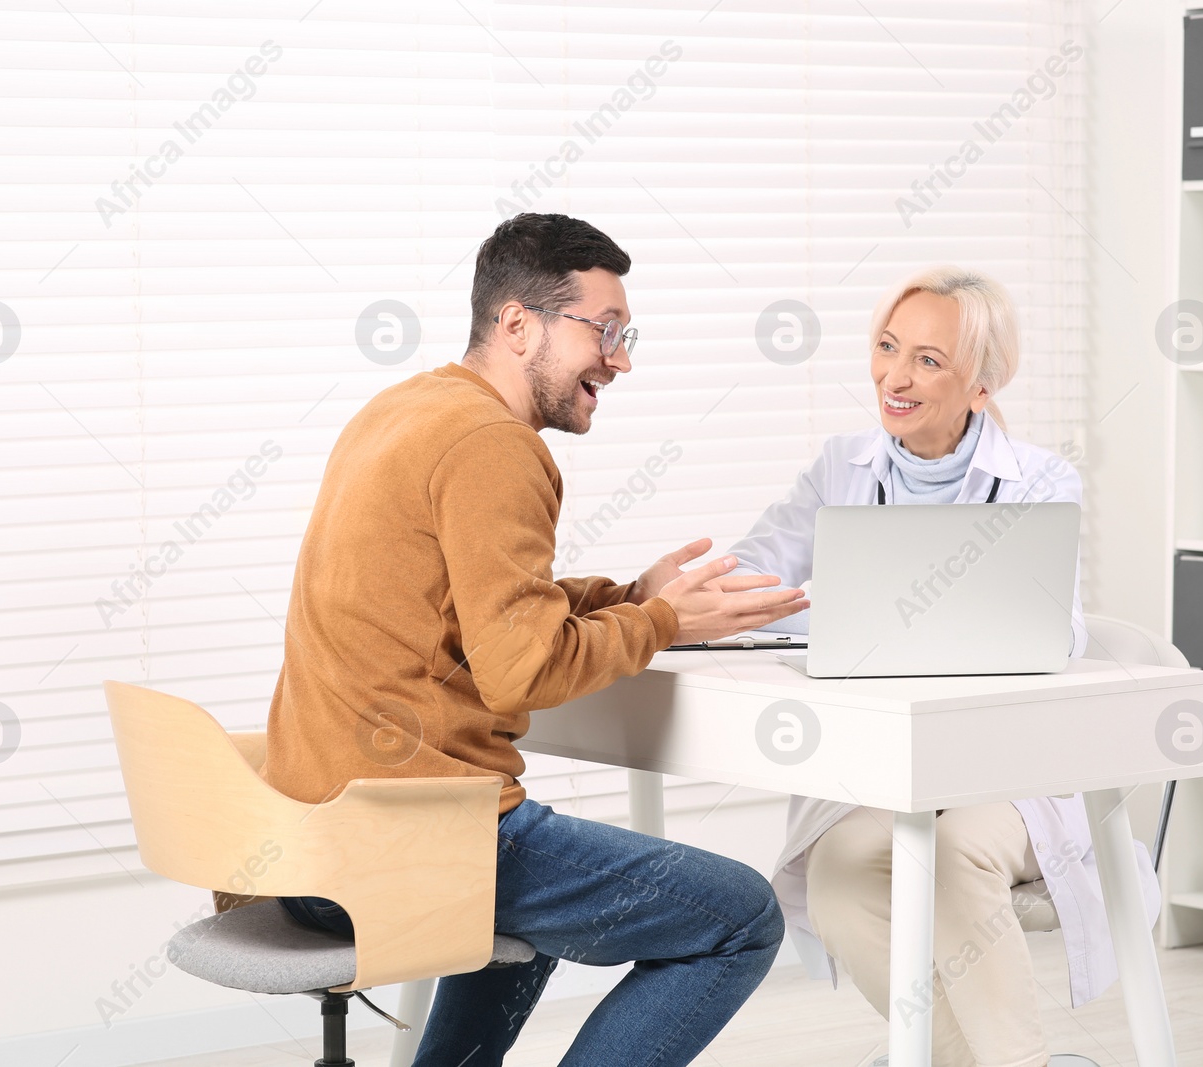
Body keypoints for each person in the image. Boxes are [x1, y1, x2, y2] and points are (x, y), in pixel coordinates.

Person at [261, 213, 809, 1067]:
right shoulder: (493, 443)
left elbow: (476, 601)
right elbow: (522, 666)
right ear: (518, 324)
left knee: (548, 900)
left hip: (311, 840)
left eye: (627, 335)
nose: (620, 359)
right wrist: (664, 622)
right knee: (741, 917)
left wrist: (632, 595)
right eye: (605, 330)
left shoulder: (404, 408)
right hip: (408, 842)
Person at [730, 266, 1160, 1067]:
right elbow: (752, 577)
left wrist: (879, 623)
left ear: (984, 382)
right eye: (888, 348)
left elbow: (1053, 633)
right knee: (840, 873)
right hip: (893, 769)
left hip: (1014, 773)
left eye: (928, 359)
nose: (895, 376)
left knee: (958, 848)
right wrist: (838, 616)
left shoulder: (1038, 480)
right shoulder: (841, 466)